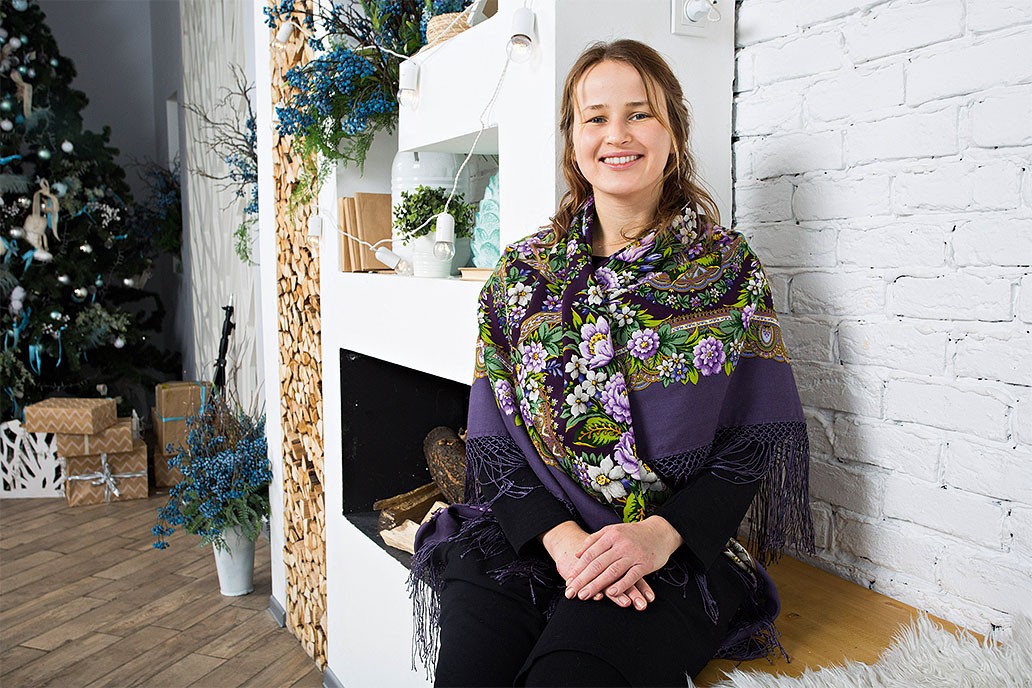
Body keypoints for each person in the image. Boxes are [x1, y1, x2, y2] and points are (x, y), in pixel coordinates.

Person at [410, 39, 814, 687]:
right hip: (537, 536)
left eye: (639, 114)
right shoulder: (520, 275)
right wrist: (562, 540)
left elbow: (753, 440)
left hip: (676, 552)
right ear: (573, 141)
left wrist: (657, 536)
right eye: (595, 117)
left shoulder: (729, 270)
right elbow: (494, 438)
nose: (616, 134)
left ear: (673, 133)